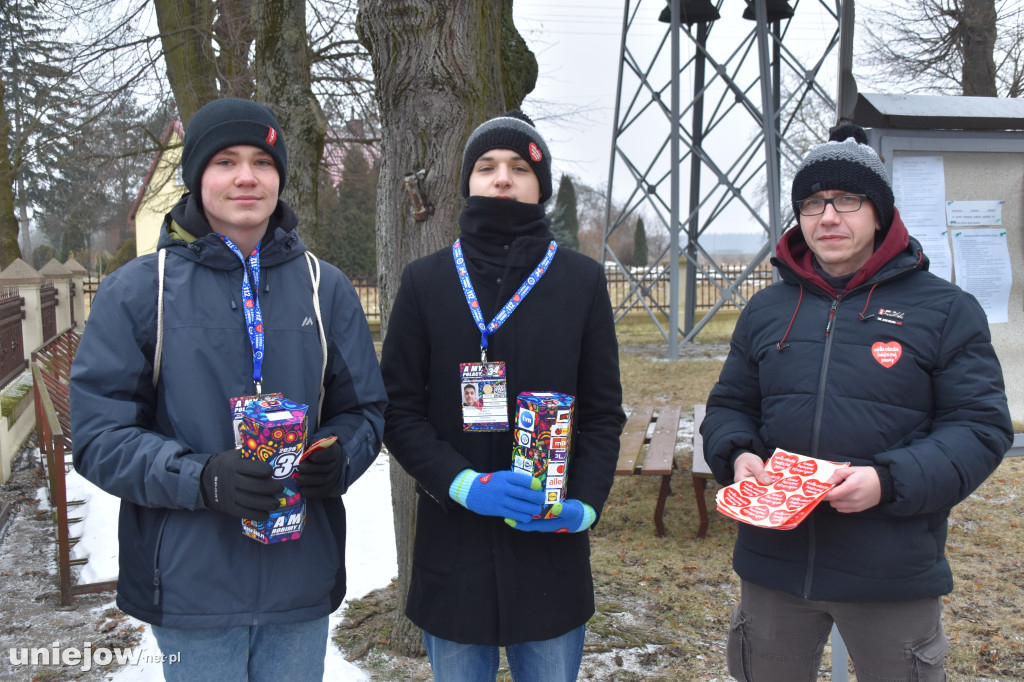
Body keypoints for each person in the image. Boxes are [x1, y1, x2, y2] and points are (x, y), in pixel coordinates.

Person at [69, 98, 388, 681]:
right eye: (225, 161)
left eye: (262, 162)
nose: (246, 176)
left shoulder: (326, 287)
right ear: (197, 177)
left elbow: (365, 410)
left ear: (279, 178)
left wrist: (339, 457)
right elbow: (97, 436)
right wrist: (203, 477)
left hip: (300, 579)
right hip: (193, 588)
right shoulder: (139, 291)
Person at [700, 123, 1013, 682]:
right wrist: (738, 454)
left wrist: (886, 481)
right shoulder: (768, 310)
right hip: (775, 564)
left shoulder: (946, 310)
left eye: (847, 200)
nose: (828, 217)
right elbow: (729, 406)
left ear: (880, 214)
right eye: (813, 203)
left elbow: (980, 426)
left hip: (890, 568)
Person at [381, 110, 625, 681]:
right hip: (454, 547)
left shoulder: (580, 281)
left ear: (540, 185)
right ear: (467, 181)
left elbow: (602, 413)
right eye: (487, 166)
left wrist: (586, 503)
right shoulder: (426, 281)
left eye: (519, 167)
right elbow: (397, 409)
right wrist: (461, 483)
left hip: (549, 549)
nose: (502, 178)